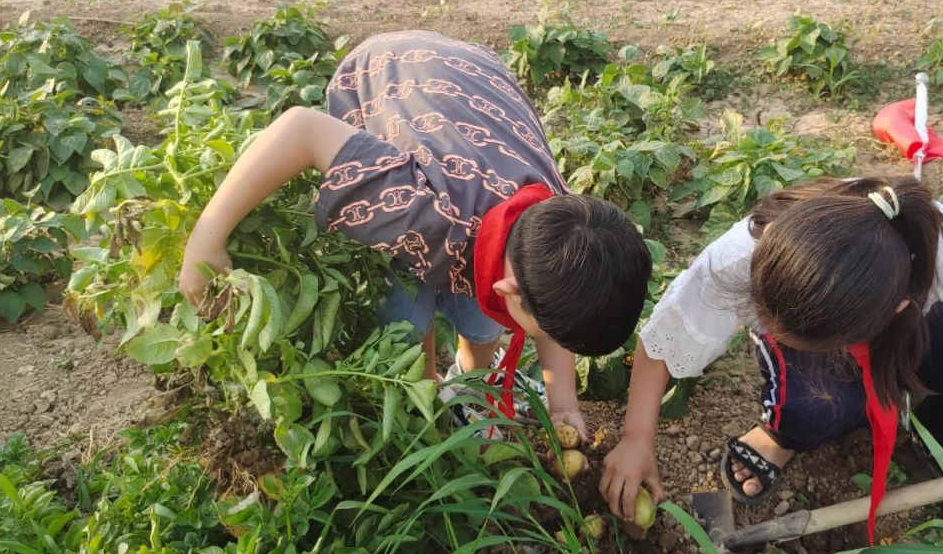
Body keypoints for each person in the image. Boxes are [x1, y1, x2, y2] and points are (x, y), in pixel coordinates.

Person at [179, 30, 652, 439]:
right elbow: (301, 129)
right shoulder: (412, 209)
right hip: (385, 76)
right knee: (402, 305)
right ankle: (421, 392)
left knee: (486, 307)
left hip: (471, 84)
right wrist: (207, 236)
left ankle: (471, 382)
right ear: (510, 289)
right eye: (544, 327)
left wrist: (563, 405)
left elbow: (553, 301)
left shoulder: (562, 220)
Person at [600, 176, 943, 540]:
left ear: (898, 307)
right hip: (842, 306)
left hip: (916, 319)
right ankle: (784, 431)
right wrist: (636, 437)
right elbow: (663, 340)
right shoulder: (742, 256)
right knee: (815, 406)